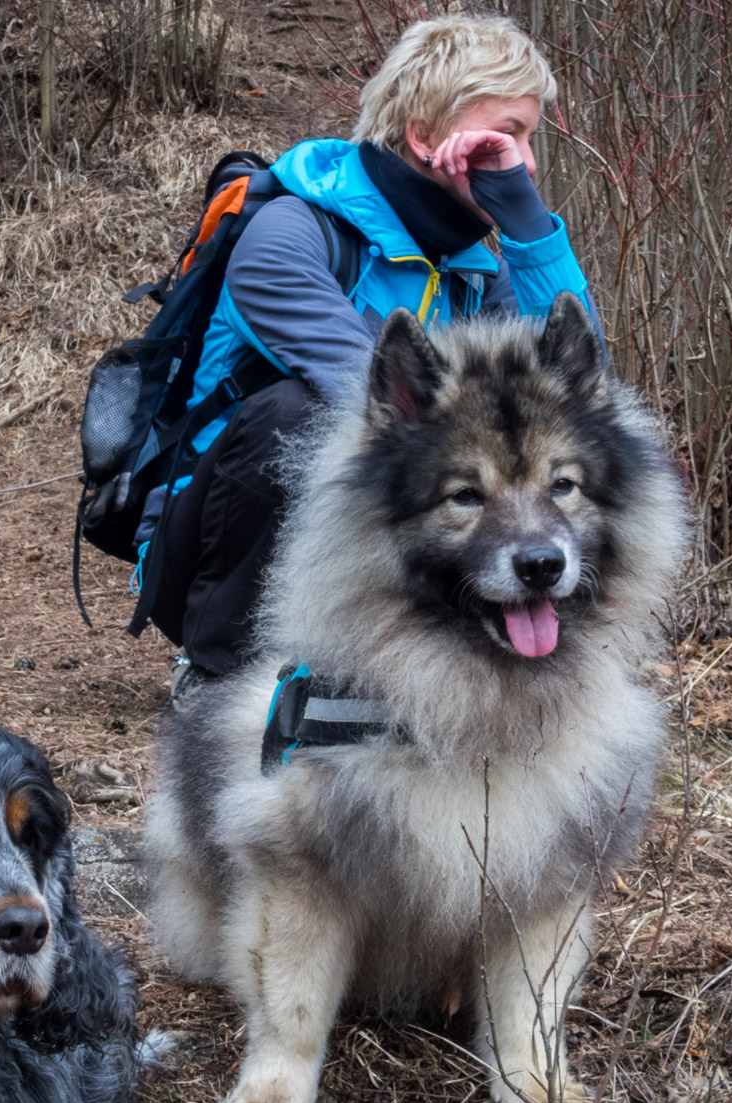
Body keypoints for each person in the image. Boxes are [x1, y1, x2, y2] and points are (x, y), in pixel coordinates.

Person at [144, 13, 604, 689]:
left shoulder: (478, 267)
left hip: (371, 539)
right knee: (302, 414)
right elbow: (373, 410)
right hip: (207, 548)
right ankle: (215, 673)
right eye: (507, 134)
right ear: (423, 134)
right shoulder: (289, 234)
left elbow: (582, 402)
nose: (524, 161)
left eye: (530, 139)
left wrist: (532, 230)